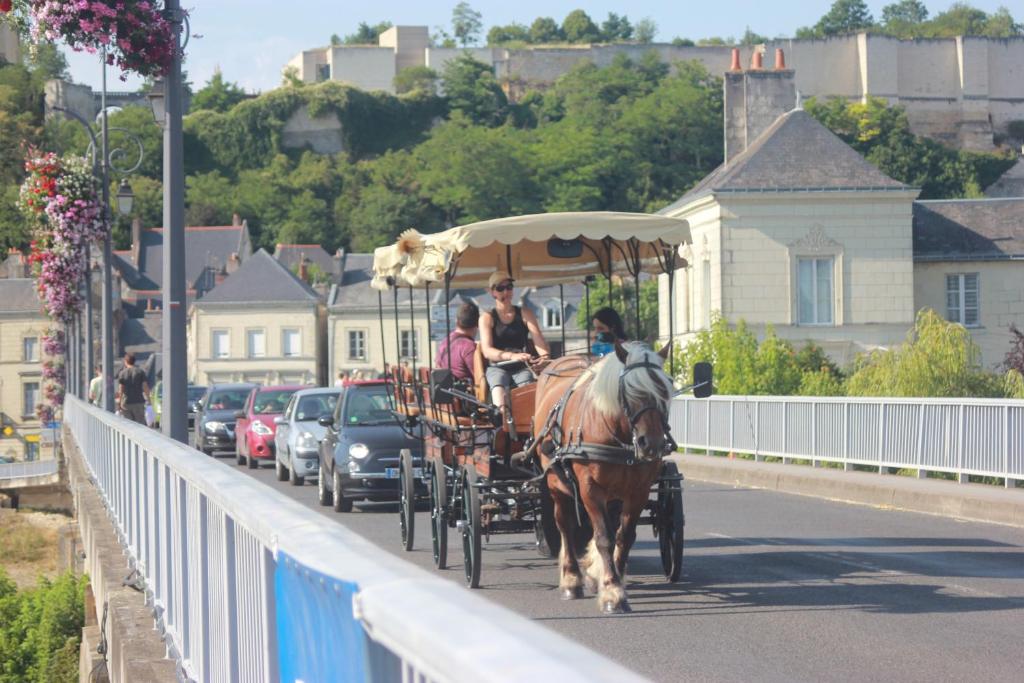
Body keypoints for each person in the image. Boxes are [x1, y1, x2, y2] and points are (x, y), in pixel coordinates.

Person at [479, 271, 550, 421]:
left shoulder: (525, 313)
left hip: (520, 366)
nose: (506, 292)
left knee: (528, 392)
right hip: (497, 367)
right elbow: (487, 351)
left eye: (509, 287)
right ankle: (501, 425)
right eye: (500, 288)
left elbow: (538, 339)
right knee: (499, 396)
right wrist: (512, 356)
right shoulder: (487, 317)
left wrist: (545, 358)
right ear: (493, 292)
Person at [437, 301, 479, 382]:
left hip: (446, 390)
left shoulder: (445, 342)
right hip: (464, 393)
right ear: (477, 324)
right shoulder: (469, 347)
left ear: (456, 321)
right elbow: (480, 377)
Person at [115, 353, 150, 425]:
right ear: (134, 361)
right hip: (138, 402)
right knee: (141, 425)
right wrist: (149, 400)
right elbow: (145, 386)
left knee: (128, 425)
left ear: (125, 361)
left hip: (126, 403)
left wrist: (119, 402)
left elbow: (121, 389)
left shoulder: (122, 373)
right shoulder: (140, 372)